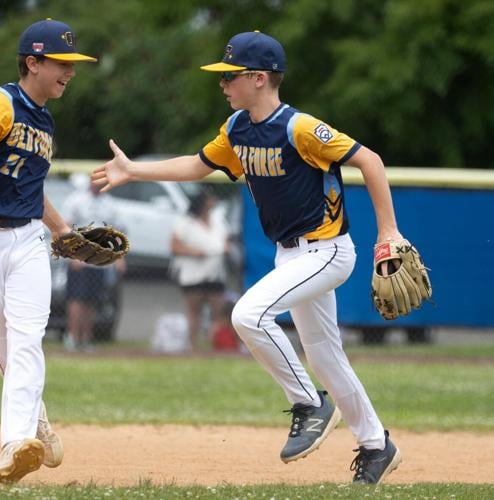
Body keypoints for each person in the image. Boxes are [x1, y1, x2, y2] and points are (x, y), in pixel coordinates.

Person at [93, 30, 402, 484]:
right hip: (290, 256)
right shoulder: (238, 128)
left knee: (248, 315)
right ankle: (377, 446)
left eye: (230, 75)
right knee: (325, 357)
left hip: (328, 251)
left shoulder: (299, 127)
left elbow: (369, 161)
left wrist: (389, 231)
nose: (222, 83)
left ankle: (309, 403)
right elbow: (199, 164)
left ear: (259, 78)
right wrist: (134, 169)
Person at [0, 19, 96, 484]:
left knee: (28, 337)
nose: (69, 72)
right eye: (61, 62)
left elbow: (32, 189)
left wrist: (63, 231)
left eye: (72, 64)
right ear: (32, 62)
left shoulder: (45, 119)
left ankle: (14, 443)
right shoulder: (0, 101)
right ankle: (36, 421)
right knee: (6, 346)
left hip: (29, 239)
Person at [61, 176, 126, 352]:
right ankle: (73, 337)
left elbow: (116, 232)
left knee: (92, 300)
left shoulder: (110, 204)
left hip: (99, 260)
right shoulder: (76, 200)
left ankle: (85, 338)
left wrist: (119, 258)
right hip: (80, 259)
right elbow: (66, 229)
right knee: (76, 299)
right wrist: (72, 255)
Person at [170, 188, 229, 351]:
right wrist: (194, 252)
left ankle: (215, 346)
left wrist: (224, 248)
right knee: (194, 311)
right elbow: (174, 246)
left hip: (215, 272)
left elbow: (225, 241)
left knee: (217, 312)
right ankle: (192, 346)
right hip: (193, 274)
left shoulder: (218, 221)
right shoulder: (186, 223)